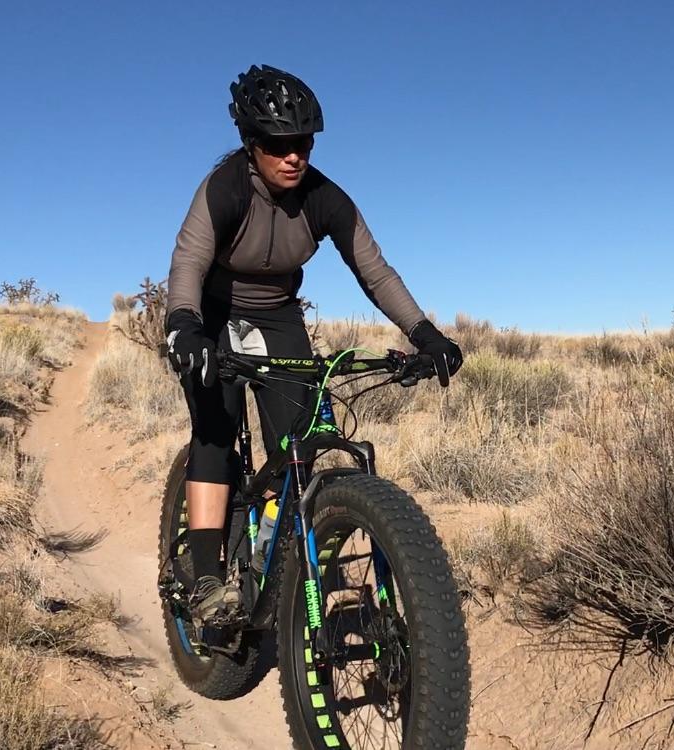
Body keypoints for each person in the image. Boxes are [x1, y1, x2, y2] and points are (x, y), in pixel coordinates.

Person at [163, 64, 462, 625]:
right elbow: (188, 261)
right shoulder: (225, 189)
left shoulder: (324, 198)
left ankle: (283, 568)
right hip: (214, 312)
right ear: (251, 146)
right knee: (215, 426)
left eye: (302, 142)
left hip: (278, 317)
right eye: (278, 144)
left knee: (298, 445)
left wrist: (422, 332)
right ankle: (205, 576)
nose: (293, 155)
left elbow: (375, 271)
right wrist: (184, 323)